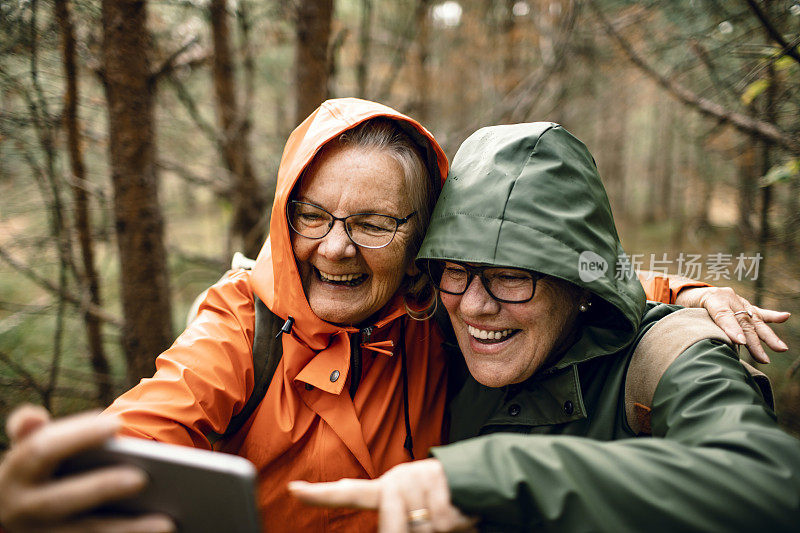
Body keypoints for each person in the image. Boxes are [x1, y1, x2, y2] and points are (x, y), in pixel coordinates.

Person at [0, 101, 789, 533]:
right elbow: (152, 422)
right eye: (312, 216)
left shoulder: (439, 313)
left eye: (374, 223)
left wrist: (682, 293)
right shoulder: (248, 324)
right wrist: (56, 497)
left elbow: (768, 486)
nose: (336, 249)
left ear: (417, 238)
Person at [289, 122, 800, 532]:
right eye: (456, 270)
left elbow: (770, 483)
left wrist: (494, 474)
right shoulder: (435, 333)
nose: (473, 307)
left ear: (582, 288)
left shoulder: (672, 359)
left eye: (511, 278)